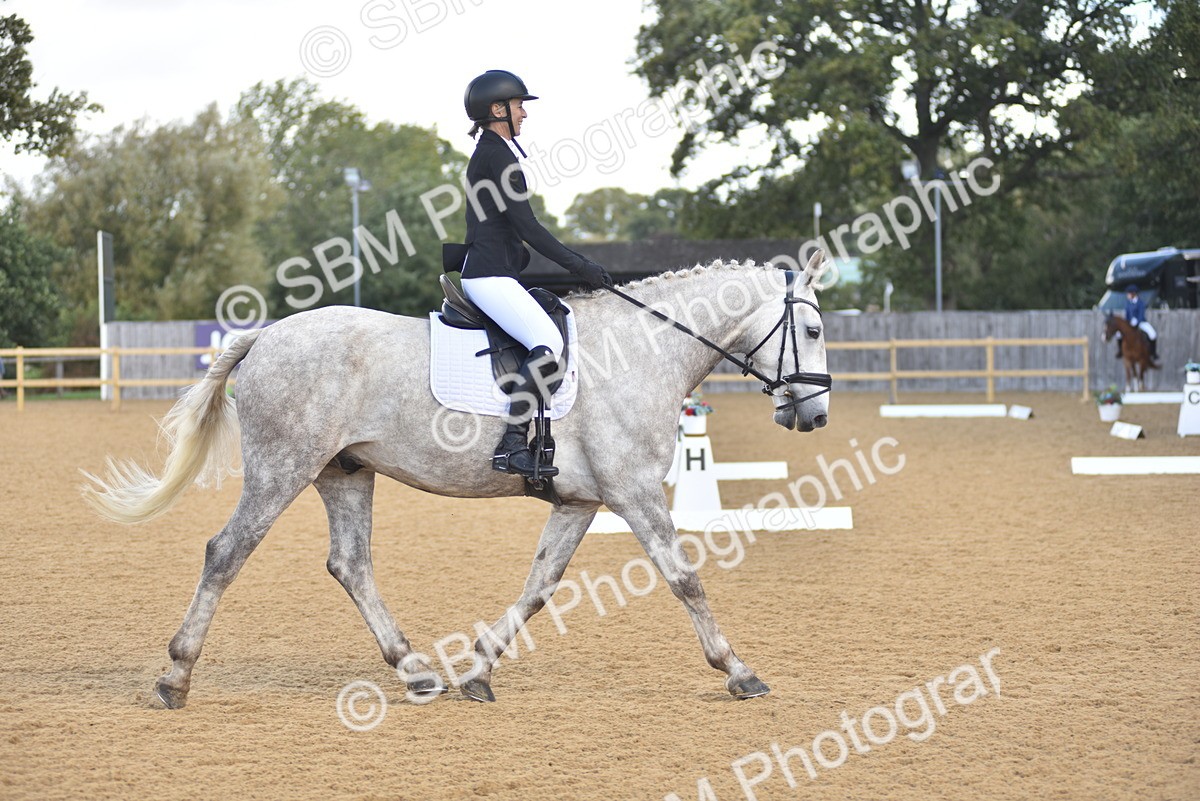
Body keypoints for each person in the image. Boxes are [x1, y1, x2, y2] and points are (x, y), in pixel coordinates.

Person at [453, 69, 613, 478]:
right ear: (497, 109)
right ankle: (511, 445)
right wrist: (581, 266)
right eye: (518, 105)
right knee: (547, 341)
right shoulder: (498, 155)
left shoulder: (491, 152)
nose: (524, 113)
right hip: (489, 275)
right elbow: (529, 227)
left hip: (493, 272)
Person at [1120, 285, 1158, 360]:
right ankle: (1121, 351)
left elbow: (1141, 314)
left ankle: (1153, 353)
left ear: (1133, 293)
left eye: (1129, 293)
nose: (1127, 295)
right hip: (1130, 323)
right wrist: (1127, 323)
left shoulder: (1141, 303)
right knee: (1119, 334)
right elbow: (1127, 316)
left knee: (1153, 334)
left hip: (1141, 322)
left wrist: (1137, 322)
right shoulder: (1128, 303)